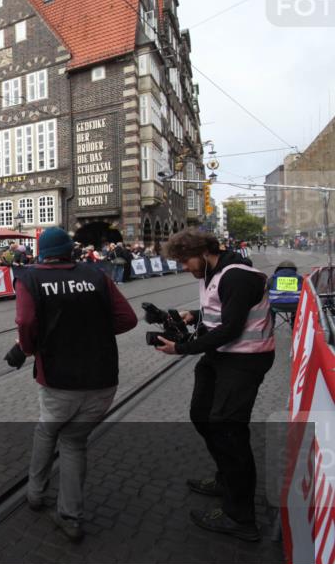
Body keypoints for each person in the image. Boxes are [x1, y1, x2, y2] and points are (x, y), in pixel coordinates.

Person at [15, 227, 138, 541]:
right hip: (102, 377)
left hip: (58, 378)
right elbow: (127, 319)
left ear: (41, 252)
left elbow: (27, 323)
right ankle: (70, 515)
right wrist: (93, 330)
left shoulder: (29, 279)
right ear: (70, 250)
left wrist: (29, 348)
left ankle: (35, 493)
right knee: (74, 442)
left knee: (47, 429)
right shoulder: (97, 276)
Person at [156, 229, 275, 543]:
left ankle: (240, 517)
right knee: (202, 414)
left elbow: (232, 328)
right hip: (220, 357)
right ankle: (225, 478)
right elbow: (220, 312)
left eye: (185, 260)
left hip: (244, 360)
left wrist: (180, 349)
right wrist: (193, 315)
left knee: (228, 430)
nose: (183, 266)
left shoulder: (238, 276)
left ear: (202, 251)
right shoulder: (212, 273)